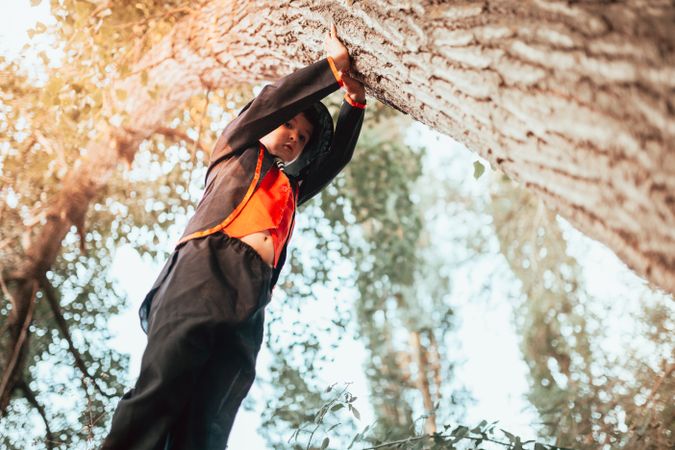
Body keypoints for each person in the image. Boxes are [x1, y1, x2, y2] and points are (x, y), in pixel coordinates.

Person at [101, 23, 366, 450]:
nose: (295, 137)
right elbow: (272, 102)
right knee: (164, 384)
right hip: (204, 267)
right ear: (265, 127)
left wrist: (353, 101)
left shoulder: (290, 191)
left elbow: (331, 162)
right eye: (289, 126)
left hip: (253, 294)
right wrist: (330, 69)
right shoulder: (235, 149)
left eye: (302, 138)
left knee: (210, 421)